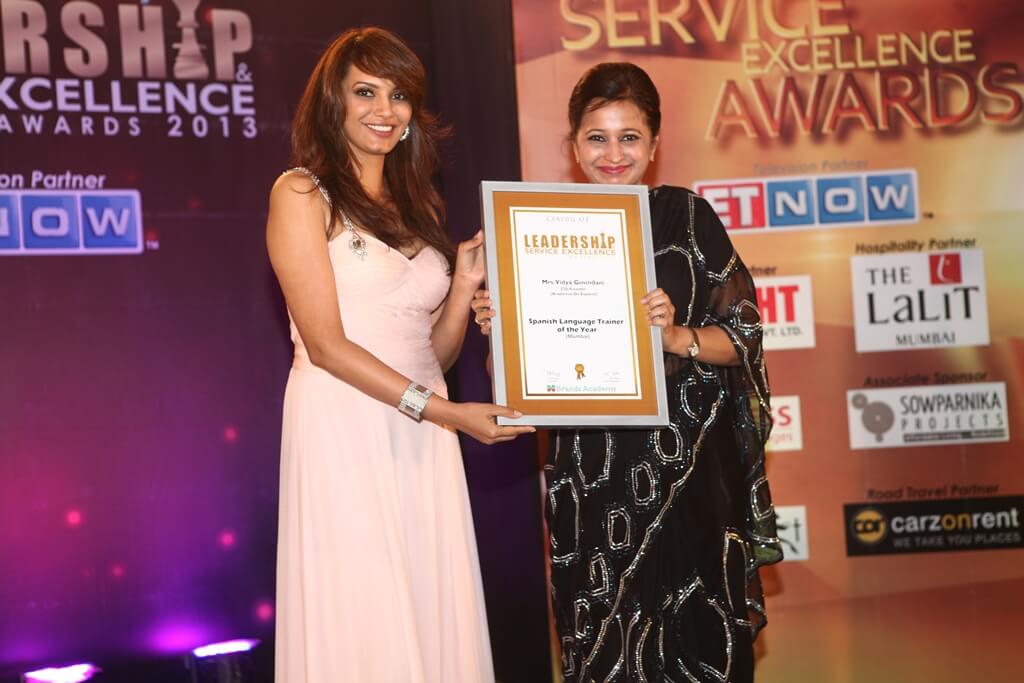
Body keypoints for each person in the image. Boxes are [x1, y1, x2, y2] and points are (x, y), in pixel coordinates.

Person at [472, 63, 782, 681]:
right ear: (572, 144)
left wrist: (673, 337)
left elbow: (742, 338)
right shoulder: (535, 226)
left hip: (685, 477)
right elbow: (509, 380)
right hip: (589, 483)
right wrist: (499, 333)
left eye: (629, 137)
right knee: (605, 651)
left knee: (696, 650)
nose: (613, 154)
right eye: (596, 137)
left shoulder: (690, 219)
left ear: (655, 143)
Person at [266, 27, 533, 682]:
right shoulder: (300, 193)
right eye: (365, 91)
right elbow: (326, 345)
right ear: (333, 101)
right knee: (366, 608)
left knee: (424, 600)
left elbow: (430, 350)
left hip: (421, 429)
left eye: (399, 95)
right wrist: (447, 412)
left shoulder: (415, 205)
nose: (385, 109)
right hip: (347, 425)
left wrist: (464, 285)